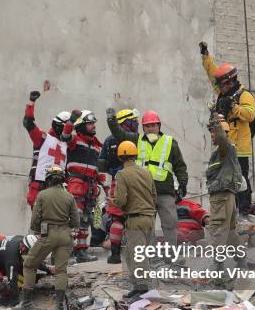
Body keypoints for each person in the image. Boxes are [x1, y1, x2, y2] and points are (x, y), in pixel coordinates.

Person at [106, 108, 188, 250]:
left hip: (164, 191)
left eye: (153, 125)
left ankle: (172, 257)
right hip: (143, 194)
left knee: (170, 224)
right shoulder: (136, 140)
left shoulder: (170, 142)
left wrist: (183, 185)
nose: (150, 128)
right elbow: (119, 135)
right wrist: (112, 121)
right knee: (147, 226)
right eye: (147, 126)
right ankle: (151, 258)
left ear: (159, 126)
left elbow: (179, 166)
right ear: (143, 127)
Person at [13, 166, 79, 310]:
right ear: (62, 180)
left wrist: (38, 229)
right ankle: (59, 305)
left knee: (30, 264)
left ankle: (26, 302)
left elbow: (35, 219)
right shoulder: (69, 196)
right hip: (65, 235)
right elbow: (75, 221)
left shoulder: (42, 195)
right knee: (61, 270)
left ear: (48, 180)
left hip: (47, 234)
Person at [200, 41, 255, 216]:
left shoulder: (245, 95)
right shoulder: (223, 94)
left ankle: (244, 211)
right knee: (225, 179)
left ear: (231, 82)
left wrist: (233, 107)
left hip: (239, 148)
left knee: (241, 179)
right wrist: (205, 56)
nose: (220, 87)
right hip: (224, 146)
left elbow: (249, 115)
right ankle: (232, 211)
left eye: (223, 84)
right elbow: (212, 74)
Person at [111, 140, 157, 299]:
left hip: (135, 218)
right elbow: (154, 196)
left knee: (137, 254)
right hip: (149, 218)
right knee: (137, 253)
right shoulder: (146, 172)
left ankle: (143, 288)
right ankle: (139, 286)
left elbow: (121, 200)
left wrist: (112, 202)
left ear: (119, 157)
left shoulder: (122, 174)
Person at [61, 110, 106, 262]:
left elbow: (98, 169)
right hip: (76, 184)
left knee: (85, 220)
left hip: (90, 187)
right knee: (74, 219)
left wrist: (104, 186)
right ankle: (66, 252)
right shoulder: (75, 140)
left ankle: (81, 252)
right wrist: (71, 121)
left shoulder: (97, 146)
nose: (94, 126)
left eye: (94, 123)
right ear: (81, 126)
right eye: (90, 123)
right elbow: (65, 136)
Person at [98, 109, 140, 264]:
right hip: (137, 181)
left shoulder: (109, 140)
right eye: (134, 120)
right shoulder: (137, 138)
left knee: (117, 218)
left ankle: (115, 255)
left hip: (118, 181)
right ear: (126, 121)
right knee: (136, 216)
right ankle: (138, 254)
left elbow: (102, 164)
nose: (136, 123)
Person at [206, 114, 243, 265]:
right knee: (230, 232)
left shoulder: (225, 148)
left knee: (218, 231)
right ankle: (241, 261)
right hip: (225, 197)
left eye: (214, 132)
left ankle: (218, 271)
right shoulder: (221, 153)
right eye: (211, 132)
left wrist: (215, 119)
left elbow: (221, 137)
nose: (212, 135)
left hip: (222, 198)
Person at [22, 90, 69, 208]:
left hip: (59, 188)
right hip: (40, 185)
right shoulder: (42, 138)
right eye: (68, 127)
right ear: (60, 126)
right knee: (39, 222)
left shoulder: (67, 145)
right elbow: (28, 123)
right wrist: (31, 103)